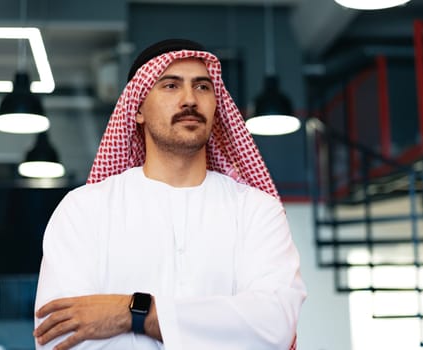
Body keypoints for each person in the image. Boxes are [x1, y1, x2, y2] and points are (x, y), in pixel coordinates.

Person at [33, 38, 306, 350]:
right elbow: (61, 337)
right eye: (170, 86)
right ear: (137, 110)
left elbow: (274, 327)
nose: (190, 99)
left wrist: (134, 314)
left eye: (202, 87)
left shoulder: (257, 210)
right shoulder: (85, 209)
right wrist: (218, 328)